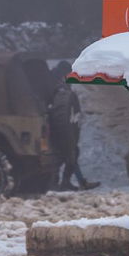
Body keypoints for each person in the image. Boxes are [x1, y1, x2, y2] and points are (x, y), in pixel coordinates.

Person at [48, 61, 97, 191]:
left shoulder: (56, 83)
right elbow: (61, 110)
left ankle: (62, 182)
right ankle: (58, 182)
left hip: (58, 126)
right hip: (58, 127)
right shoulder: (59, 87)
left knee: (69, 153)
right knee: (65, 154)